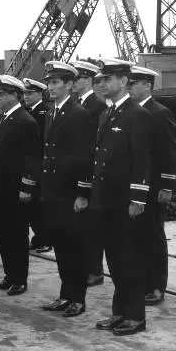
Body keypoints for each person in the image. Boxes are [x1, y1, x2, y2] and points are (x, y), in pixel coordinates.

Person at [75, 57, 152, 336]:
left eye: (108, 79)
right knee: (115, 261)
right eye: (101, 80)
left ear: (123, 81)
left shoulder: (137, 114)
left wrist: (138, 199)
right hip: (105, 199)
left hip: (124, 201)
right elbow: (97, 158)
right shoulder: (107, 114)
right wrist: (87, 192)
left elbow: (142, 160)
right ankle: (119, 312)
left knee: (130, 260)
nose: (102, 84)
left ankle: (135, 316)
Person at [39, 62, 92, 318]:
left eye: (56, 82)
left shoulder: (78, 114)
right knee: (61, 246)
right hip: (55, 191)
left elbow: (84, 157)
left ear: (69, 85)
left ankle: (77, 298)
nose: (51, 87)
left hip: (70, 192)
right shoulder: (53, 112)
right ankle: (65, 294)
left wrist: (83, 192)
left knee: (74, 247)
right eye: (49, 82)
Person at [127, 66, 176, 306]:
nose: (129, 87)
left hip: (154, 185)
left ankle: (157, 285)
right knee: (135, 237)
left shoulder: (159, 112)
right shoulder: (130, 111)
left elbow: (169, 151)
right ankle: (141, 282)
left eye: (133, 83)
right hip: (135, 185)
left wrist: (166, 185)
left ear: (147, 85)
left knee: (153, 236)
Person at [0, 75, 40, 296]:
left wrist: (27, 187)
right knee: (4, 235)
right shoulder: (4, 118)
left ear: (14, 96)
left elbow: (32, 158)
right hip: (1, 188)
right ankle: (9, 275)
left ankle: (19, 279)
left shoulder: (25, 121)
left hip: (15, 190)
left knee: (17, 236)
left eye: (1, 94)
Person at [70, 59, 109, 288]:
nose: (74, 83)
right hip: (78, 171)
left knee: (90, 226)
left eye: (78, 79)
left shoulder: (96, 106)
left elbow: (92, 145)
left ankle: (94, 270)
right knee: (80, 226)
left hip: (90, 173)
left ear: (88, 80)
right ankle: (86, 266)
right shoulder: (78, 103)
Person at [23, 77, 52, 254]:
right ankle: (38, 238)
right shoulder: (28, 111)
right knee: (32, 208)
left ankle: (46, 239)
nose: (26, 96)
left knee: (40, 208)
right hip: (30, 165)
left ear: (40, 94)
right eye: (25, 93)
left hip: (39, 166)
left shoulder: (44, 112)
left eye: (30, 93)